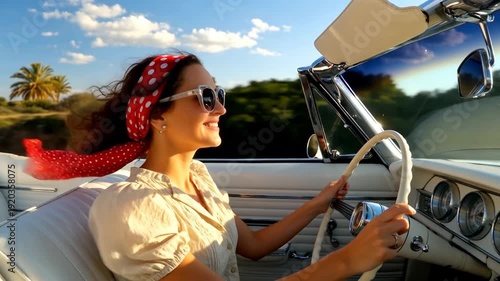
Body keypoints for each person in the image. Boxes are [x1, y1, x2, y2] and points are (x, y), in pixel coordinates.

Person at [23, 53, 415, 281]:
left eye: (220, 94)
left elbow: (255, 247)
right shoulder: (131, 210)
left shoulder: (199, 176)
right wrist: (349, 260)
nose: (222, 108)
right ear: (157, 116)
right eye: (205, 96)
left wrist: (320, 202)